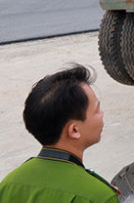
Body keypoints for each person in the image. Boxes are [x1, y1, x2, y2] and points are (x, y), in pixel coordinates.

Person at [0, 65, 119, 202]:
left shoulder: (8, 185)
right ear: (74, 130)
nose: (102, 114)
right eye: (97, 110)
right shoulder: (99, 196)